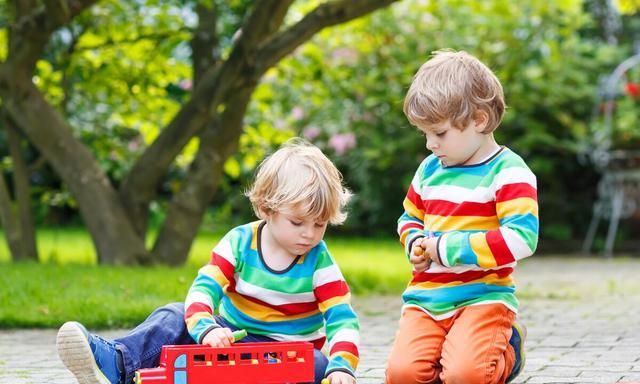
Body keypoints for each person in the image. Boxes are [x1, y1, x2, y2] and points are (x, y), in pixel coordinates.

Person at [57, 138, 360, 384]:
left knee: (317, 366)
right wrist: (207, 328)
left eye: (319, 224)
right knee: (173, 316)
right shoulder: (240, 243)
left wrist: (342, 367)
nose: (309, 234)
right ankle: (117, 363)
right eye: (297, 223)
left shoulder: (320, 262)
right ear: (266, 210)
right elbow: (204, 288)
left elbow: (342, 319)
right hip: (230, 339)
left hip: (284, 354)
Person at [385, 50, 539, 384]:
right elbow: (408, 217)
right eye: (425, 134)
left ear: (479, 120)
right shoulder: (430, 170)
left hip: (482, 297)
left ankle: (508, 349)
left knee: (466, 376)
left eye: (439, 134)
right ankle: (453, 354)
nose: (429, 144)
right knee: (402, 375)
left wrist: (446, 248)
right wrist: (413, 242)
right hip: (427, 298)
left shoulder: (509, 172)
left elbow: (522, 238)